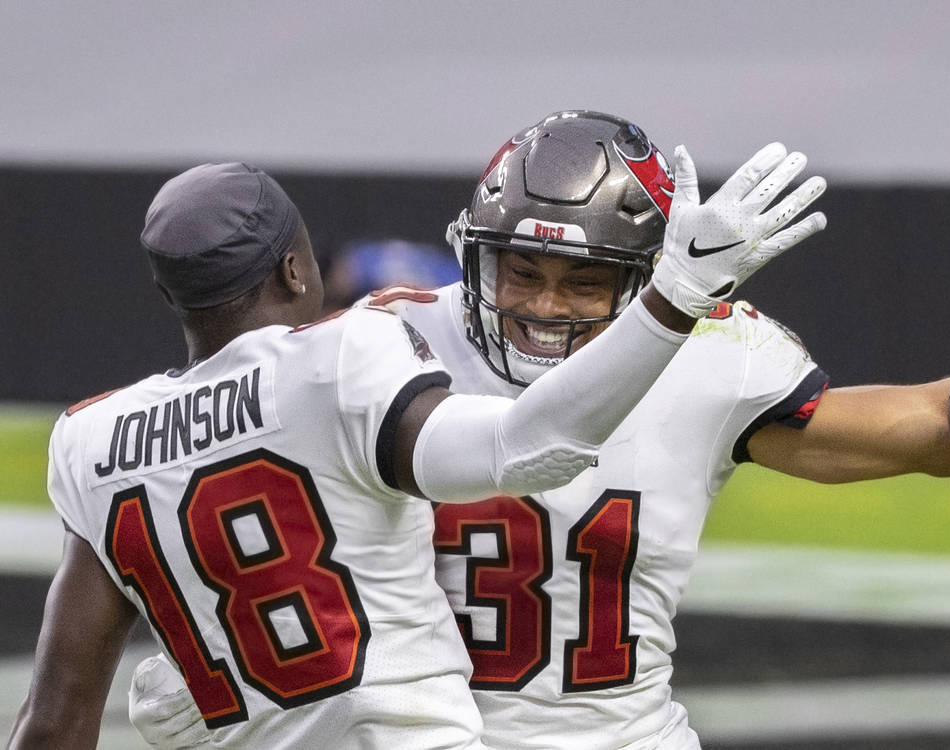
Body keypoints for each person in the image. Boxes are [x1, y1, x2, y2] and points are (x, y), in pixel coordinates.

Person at [128, 112, 950, 749]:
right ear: (476, 253)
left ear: (647, 276)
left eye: (584, 280)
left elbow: (933, 431)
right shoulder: (379, 345)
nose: (544, 303)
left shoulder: (711, 357)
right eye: (522, 268)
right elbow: (234, 497)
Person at [9, 148, 828, 749]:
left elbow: (51, 721)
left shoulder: (93, 436)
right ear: (298, 270)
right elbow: (528, 446)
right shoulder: (345, 359)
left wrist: (223, 679)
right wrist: (676, 296)